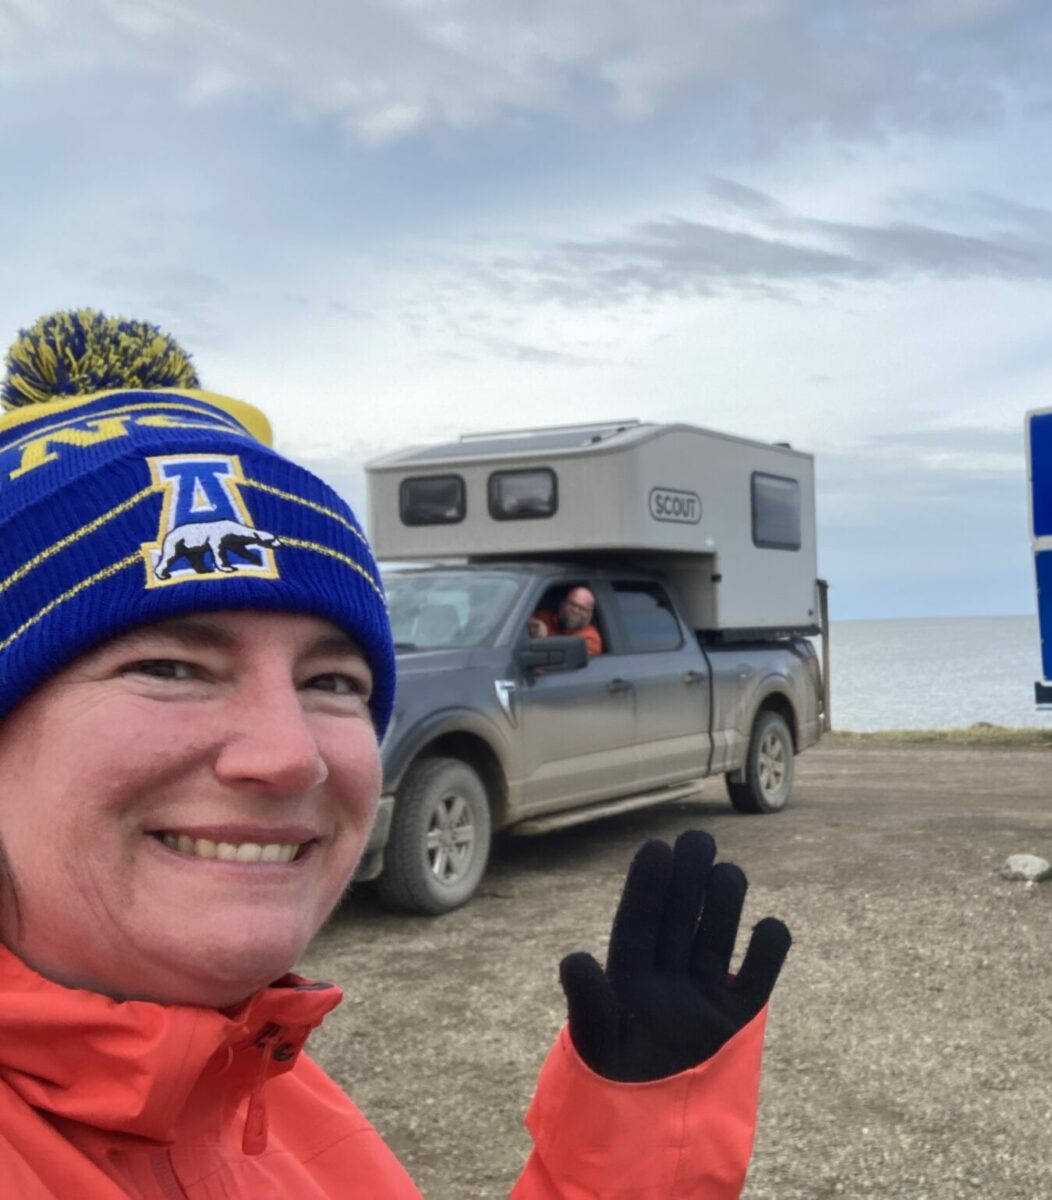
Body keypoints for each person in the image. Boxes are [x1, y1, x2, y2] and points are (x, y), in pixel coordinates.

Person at [0, 310, 790, 1198]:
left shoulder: (250, 1079)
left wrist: (639, 1144)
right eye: (169, 666)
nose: (290, 756)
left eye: (333, 681)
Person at [529, 585, 604, 657]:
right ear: (563, 603)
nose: (575, 610)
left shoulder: (590, 638)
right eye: (572, 604)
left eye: (582, 608)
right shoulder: (544, 617)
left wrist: (543, 640)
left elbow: (562, 661)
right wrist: (533, 624)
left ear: (589, 614)